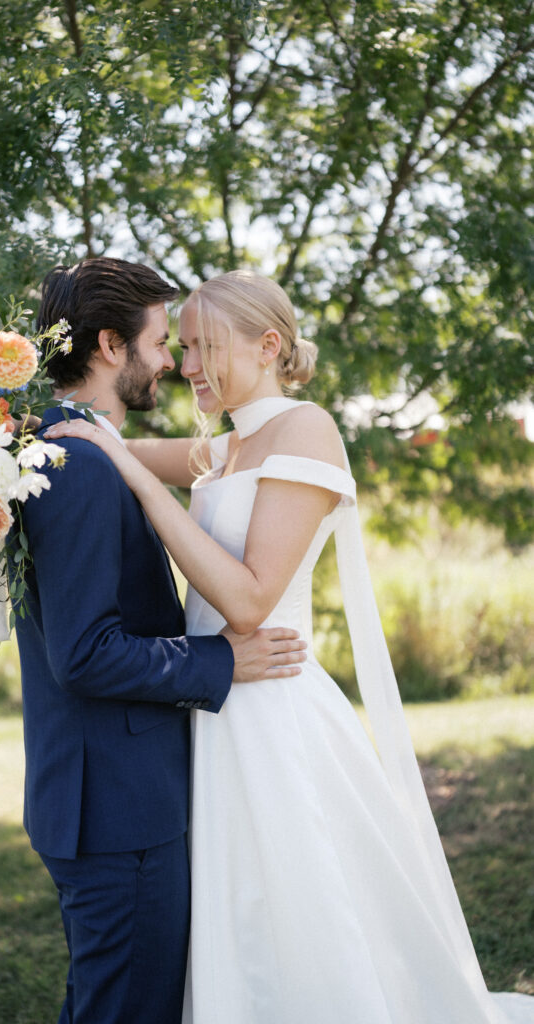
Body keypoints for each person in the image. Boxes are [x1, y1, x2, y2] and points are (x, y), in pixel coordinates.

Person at [46, 269, 534, 1024]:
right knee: (226, 916)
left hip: (270, 701)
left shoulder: (305, 428)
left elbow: (247, 600)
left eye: (206, 346)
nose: (189, 365)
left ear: (268, 343)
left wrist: (145, 490)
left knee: (298, 909)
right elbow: (112, 443)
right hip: (207, 709)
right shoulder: (224, 447)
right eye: (179, 346)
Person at [12, 258, 307, 1024]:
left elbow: (195, 459)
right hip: (117, 803)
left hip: (111, 790)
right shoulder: (75, 464)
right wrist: (222, 659)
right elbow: (82, 653)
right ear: (111, 346)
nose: (175, 363)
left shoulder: (71, 447)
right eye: (160, 342)